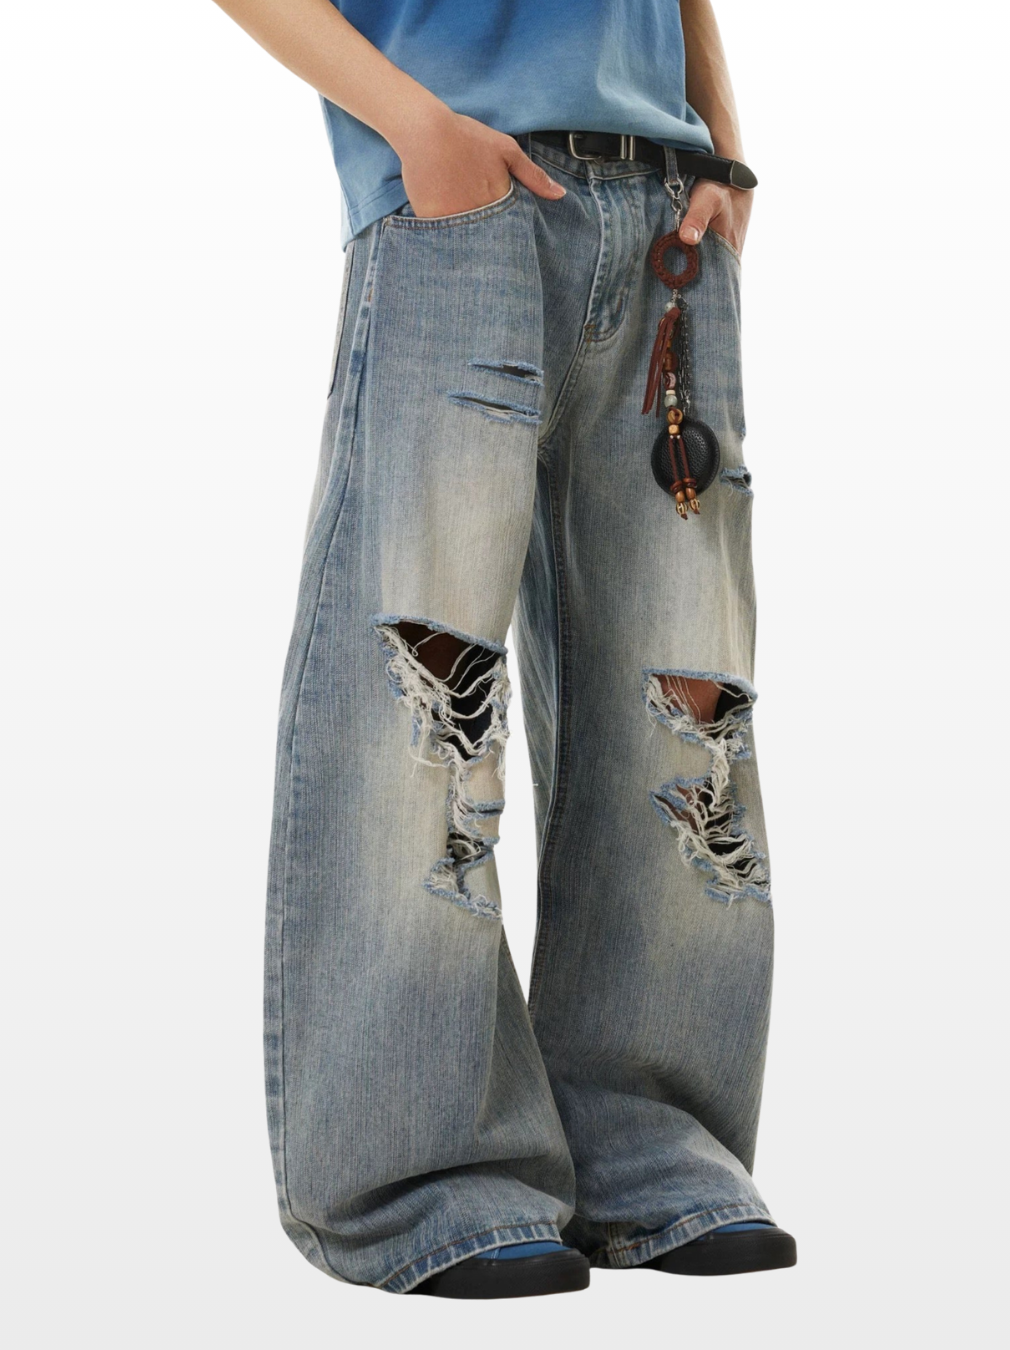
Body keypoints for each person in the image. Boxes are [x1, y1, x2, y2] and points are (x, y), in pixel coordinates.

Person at [214, 0, 795, 1299]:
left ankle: (651, 1143)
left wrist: (721, 140)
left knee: (683, 707)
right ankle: (422, 1174)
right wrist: (412, 127)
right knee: (429, 694)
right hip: (460, 196)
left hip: (667, 214)